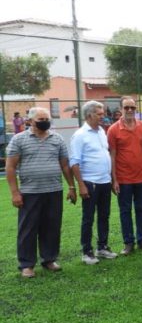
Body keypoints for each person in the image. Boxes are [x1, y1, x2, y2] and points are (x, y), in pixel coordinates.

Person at [6, 107, 77, 278]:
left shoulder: (57, 139)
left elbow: (65, 165)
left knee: (52, 227)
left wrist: (71, 187)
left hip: (54, 191)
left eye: (47, 118)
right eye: (41, 119)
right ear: (29, 121)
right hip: (30, 192)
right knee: (28, 229)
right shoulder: (19, 140)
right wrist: (15, 193)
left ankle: (49, 259)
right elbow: (10, 167)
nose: (45, 121)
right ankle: (27, 264)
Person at [70, 101, 118, 264]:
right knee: (88, 218)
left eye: (103, 113)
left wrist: (111, 179)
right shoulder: (80, 135)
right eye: (99, 114)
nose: (103, 116)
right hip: (90, 182)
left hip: (104, 181)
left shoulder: (101, 132)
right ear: (89, 115)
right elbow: (74, 162)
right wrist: (81, 185)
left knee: (104, 215)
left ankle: (102, 247)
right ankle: (87, 251)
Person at [107, 96, 142, 256]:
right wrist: (114, 179)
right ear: (121, 109)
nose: (129, 110)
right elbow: (112, 155)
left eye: (132, 108)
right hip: (123, 178)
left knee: (141, 209)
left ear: (136, 109)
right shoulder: (113, 129)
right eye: (126, 107)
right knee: (125, 211)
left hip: (141, 177)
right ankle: (128, 243)